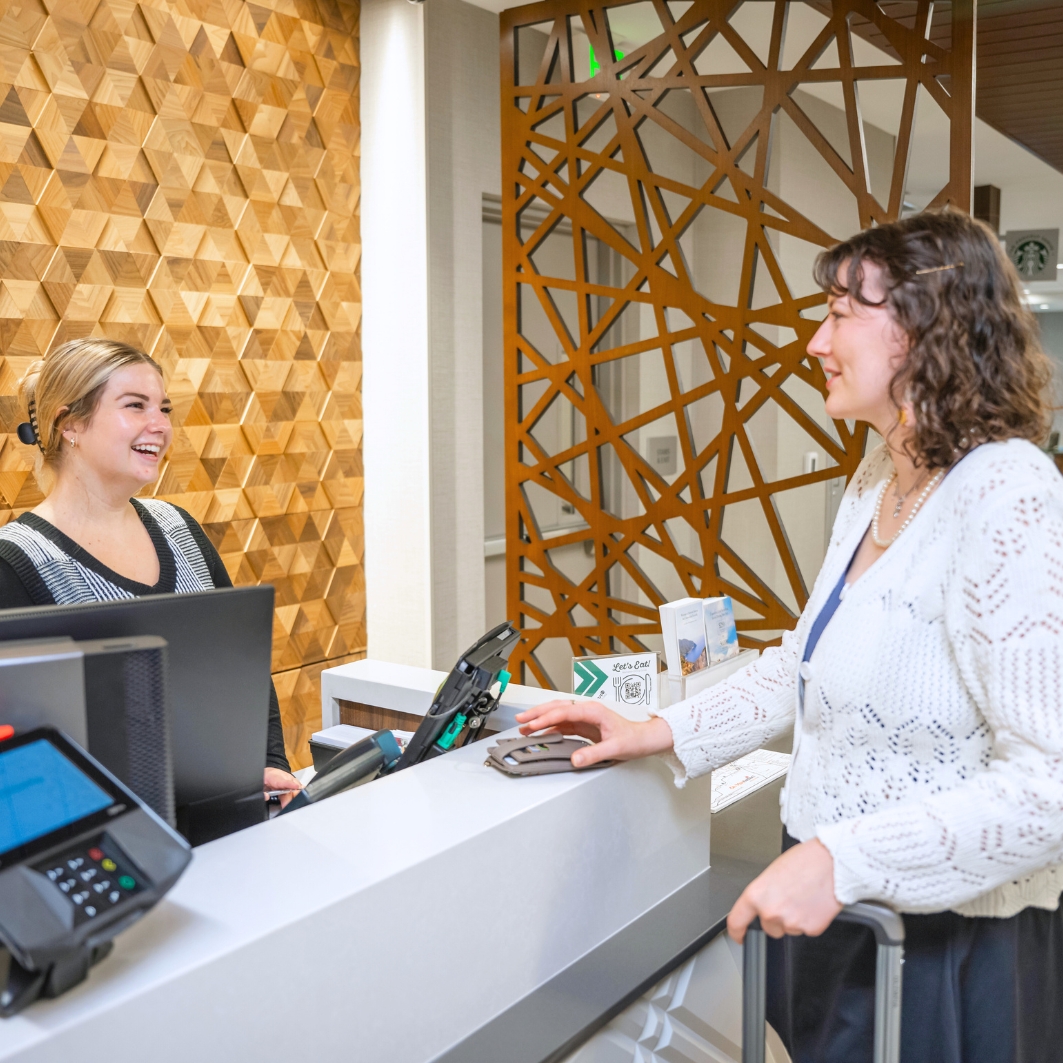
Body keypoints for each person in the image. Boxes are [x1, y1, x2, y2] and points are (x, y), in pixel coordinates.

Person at [515, 211, 1063, 1062]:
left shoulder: (1007, 493)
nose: (814, 341)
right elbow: (801, 662)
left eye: (842, 313)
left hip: (938, 946)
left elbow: (1046, 786)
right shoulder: (880, 472)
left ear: (925, 329)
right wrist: (656, 728)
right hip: (839, 917)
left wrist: (844, 860)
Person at [0, 338, 302, 805]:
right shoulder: (18, 560)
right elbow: (23, 748)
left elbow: (243, 670)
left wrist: (266, 764)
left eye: (163, 408)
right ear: (71, 424)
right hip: (112, 843)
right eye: (135, 406)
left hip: (227, 811)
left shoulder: (178, 527)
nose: (159, 426)